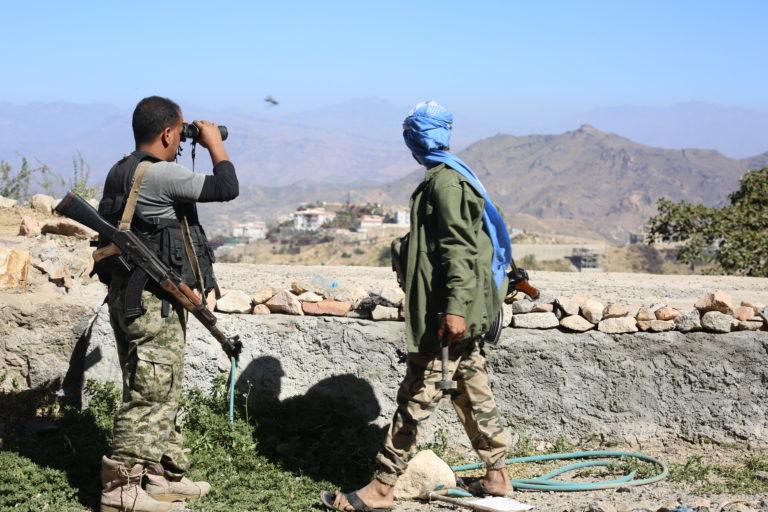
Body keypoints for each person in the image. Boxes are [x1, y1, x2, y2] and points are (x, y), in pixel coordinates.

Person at [321, 101, 514, 511]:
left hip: (447, 314)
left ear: (416, 138)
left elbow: (458, 250)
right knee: (471, 389)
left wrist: (455, 309)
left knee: (415, 398)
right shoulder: (450, 175)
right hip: (454, 309)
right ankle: (497, 474)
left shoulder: (445, 183)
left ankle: (383, 487)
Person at [96, 96, 238, 512]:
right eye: (180, 134)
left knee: (161, 383)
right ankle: (120, 490)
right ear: (168, 133)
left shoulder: (119, 170)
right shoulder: (159, 175)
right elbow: (226, 187)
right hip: (151, 302)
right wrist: (214, 143)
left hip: (129, 296)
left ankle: (158, 478)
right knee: (150, 389)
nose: (181, 142)